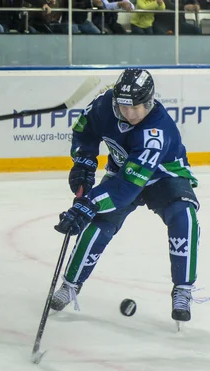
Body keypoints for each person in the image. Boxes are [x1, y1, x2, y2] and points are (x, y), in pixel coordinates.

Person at [52, 68, 201, 325]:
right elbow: (84, 131)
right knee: (99, 225)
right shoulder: (103, 106)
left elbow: (126, 189)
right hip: (124, 172)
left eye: (136, 108)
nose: (129, 113)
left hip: (164, 176)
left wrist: (88, 204)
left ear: (149, 102)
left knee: (183, 215)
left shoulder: (156, 131)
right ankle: (70, 285)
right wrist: (83, 163)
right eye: (123, 106)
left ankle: (183, 290)